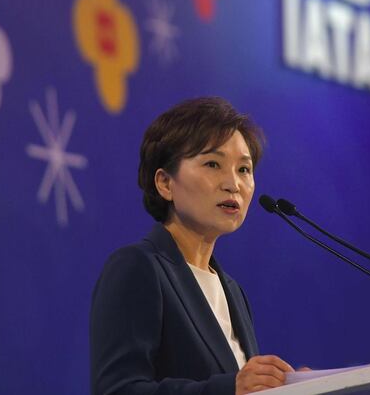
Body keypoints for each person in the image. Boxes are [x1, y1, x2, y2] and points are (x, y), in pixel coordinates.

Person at [90, 97, 295, 395]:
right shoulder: (138, 268)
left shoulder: (233, 292)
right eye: (213, 164)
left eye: (244, 169)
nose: (233, 184)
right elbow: (117, 390)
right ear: (165, 183)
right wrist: (229, 389)